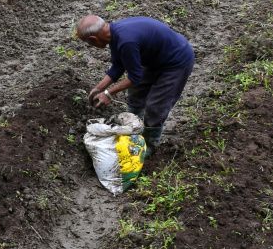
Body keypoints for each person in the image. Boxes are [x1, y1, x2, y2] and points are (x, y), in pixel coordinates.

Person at [76, 15, 195, 151]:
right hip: (156, 58)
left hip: (176, 62)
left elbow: (135, 78)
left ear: (93, 39)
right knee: (137, 93)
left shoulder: (126, 41)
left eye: (89, 43)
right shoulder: (114, 33)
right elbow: (118, 66)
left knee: (156, 106)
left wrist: (108, 94)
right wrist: (98, 88)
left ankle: (149, 145)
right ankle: (133, 127)